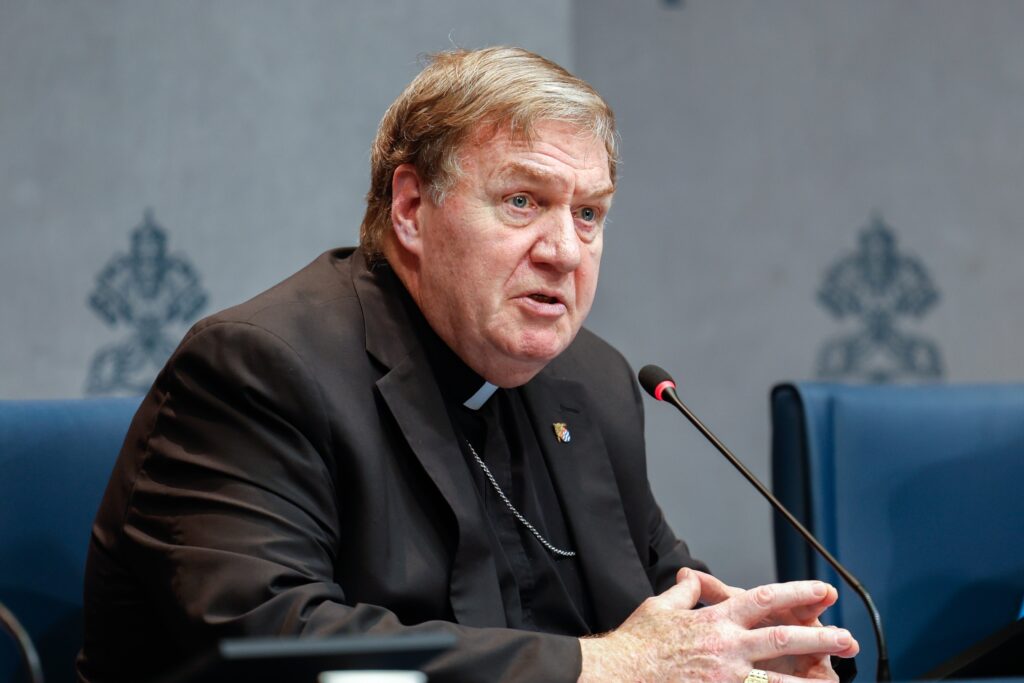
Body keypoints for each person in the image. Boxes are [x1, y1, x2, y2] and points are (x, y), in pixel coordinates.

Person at [78, 47, 858, 683]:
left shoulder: (592, 381)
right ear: (412, 208)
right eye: (523, 201)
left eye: (589, 213)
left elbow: (666, 606)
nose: (564, 251)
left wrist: (755, 652)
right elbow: (281, 645)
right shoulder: (261, 368)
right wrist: (605, 663)